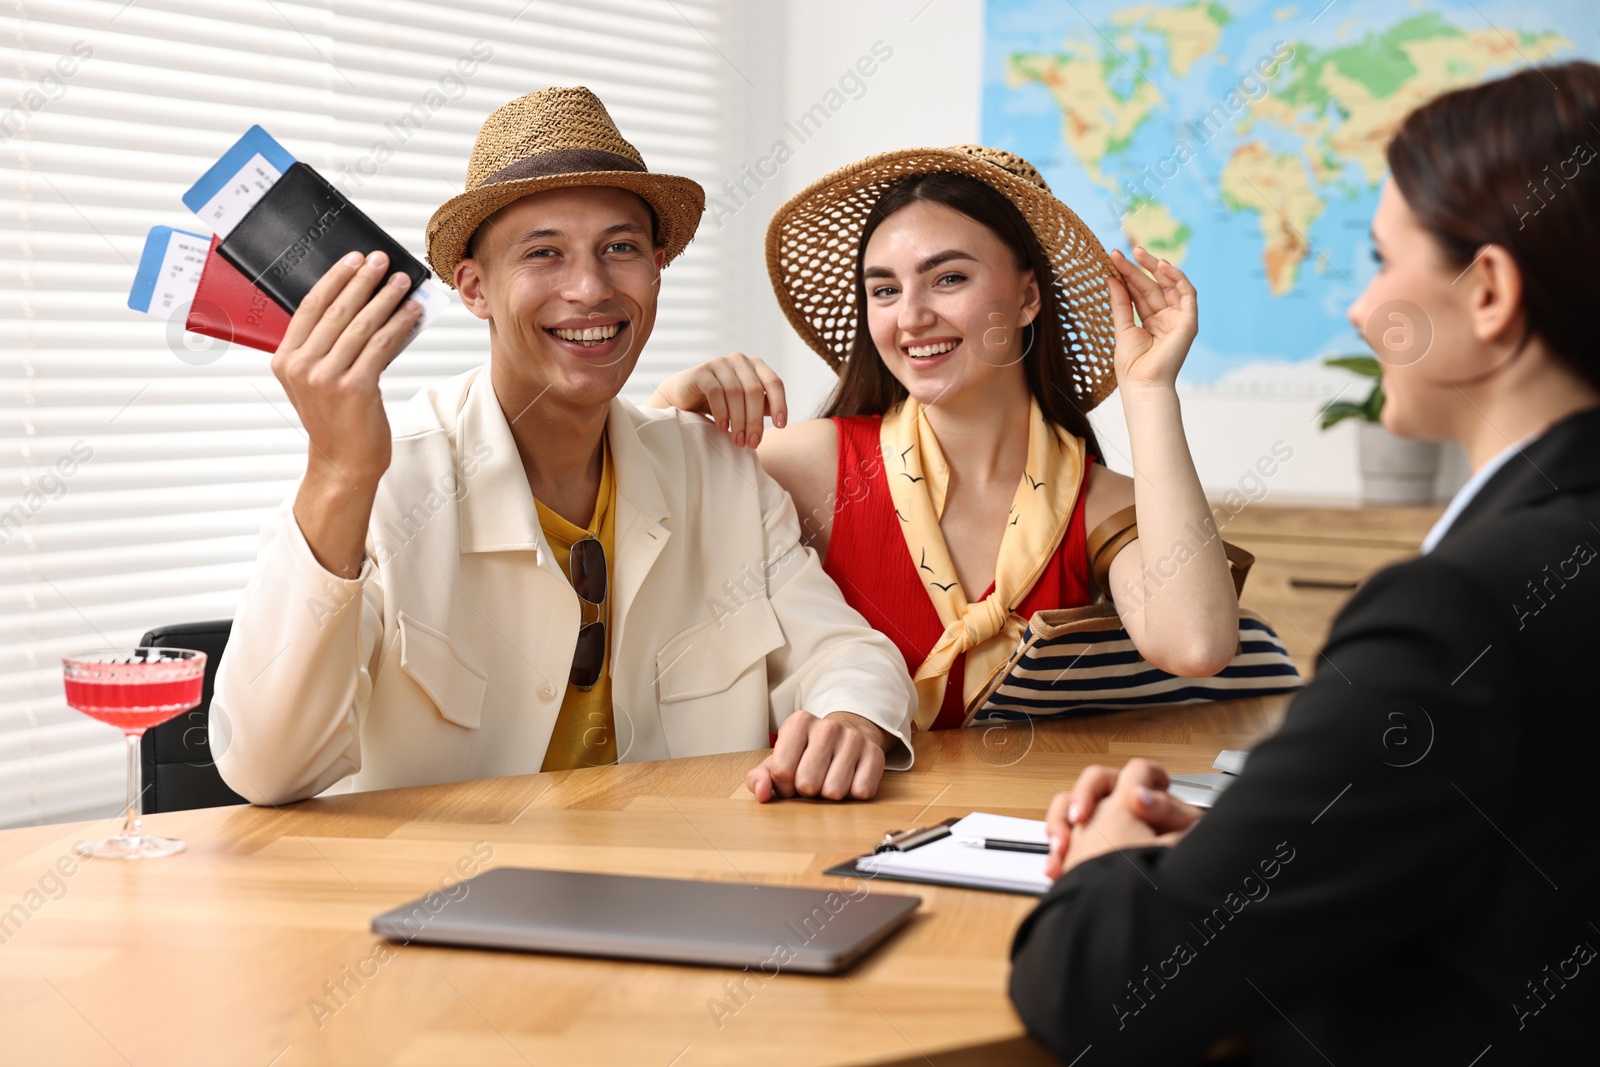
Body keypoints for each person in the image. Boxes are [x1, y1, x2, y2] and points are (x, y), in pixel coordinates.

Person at [1009, 61, 1600, 1064]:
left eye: (1379, 261)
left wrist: (1104, 864)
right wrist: (1263, 857)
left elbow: (1102, 984)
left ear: (1489, 291)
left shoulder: (1460, 610)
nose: (1361, 311)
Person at [210, 87, 916, 807]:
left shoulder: (719, 472)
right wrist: (337, 471)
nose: (590, 287)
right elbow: (267, 767)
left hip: (680, 892)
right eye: (544, 253)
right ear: (474, 287)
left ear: (657, 267)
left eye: (621, 249)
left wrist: (851, 718)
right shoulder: (384, 484)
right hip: (443, 905)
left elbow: (848, 654)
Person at [651, 147, 1240, 736]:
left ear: (1028, 297)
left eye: (949, 279)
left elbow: (1194, 645)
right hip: (819, 820)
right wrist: (670, 404)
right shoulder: (813, 465)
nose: (910, 317)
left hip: (1012, 824)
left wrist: (1150, 391)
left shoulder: (1097, 503)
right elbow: (632, 510)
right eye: (884, 290)